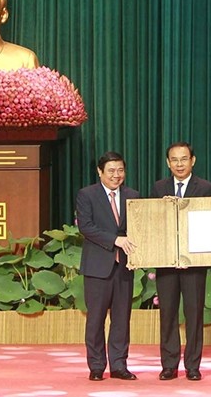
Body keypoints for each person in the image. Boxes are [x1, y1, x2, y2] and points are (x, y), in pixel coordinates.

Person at [150, 142, 211, 381]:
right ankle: (169, 365)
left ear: (193, 161)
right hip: (166, 262)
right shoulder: (159, 187)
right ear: (168, 162)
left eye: (184, 159)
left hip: (194, 264)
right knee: (167, 314)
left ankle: (193, 366)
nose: (179, 164)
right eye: (174, 160)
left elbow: (208, 224)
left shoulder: (206, 187)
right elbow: (154, 224)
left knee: (194, 314)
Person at [76, 151, 139, 381]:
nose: (116, 175)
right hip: (97, 267)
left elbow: (140, 226)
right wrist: (115, 240)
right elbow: (86, 226)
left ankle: (119, 365)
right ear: (100, 172)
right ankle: (96, 366)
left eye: (120, 170)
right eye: (111, 171)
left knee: (122, 319)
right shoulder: (87, 195)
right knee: (96, 319)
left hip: (124, 267)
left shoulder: (133, 195)